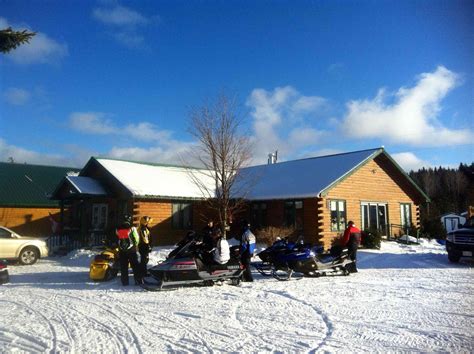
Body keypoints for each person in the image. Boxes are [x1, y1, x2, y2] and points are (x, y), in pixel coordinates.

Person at [116, 215, 142, 285]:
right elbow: (136, 239)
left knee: (124, 267)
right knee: (135, 266)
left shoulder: (118, 228)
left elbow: (118, 238)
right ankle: (138, 281)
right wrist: (135, 245)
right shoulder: (132, 228)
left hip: (122, 250)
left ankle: (124, 282)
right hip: (132, 250)